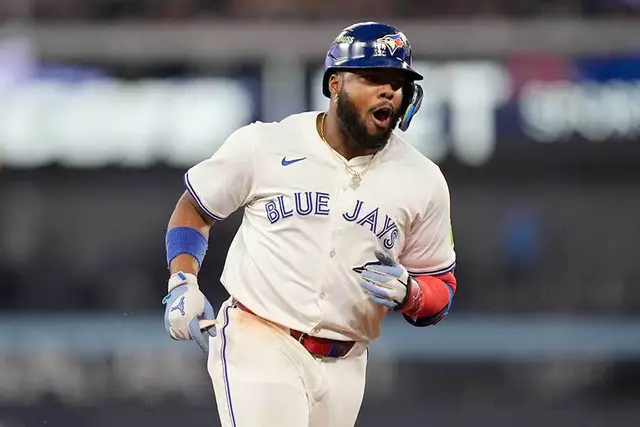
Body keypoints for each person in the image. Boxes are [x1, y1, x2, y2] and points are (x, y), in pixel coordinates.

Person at [162, 21, 458, 427]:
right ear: (335, 84)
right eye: (373, 78)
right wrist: (183, 280)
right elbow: (195, 208)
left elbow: (441, 287)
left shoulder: (423, 180)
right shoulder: (266, 144)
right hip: (259, 338)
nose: (388, 91)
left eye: (398, 83)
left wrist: (412, 293)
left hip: (347, 363)